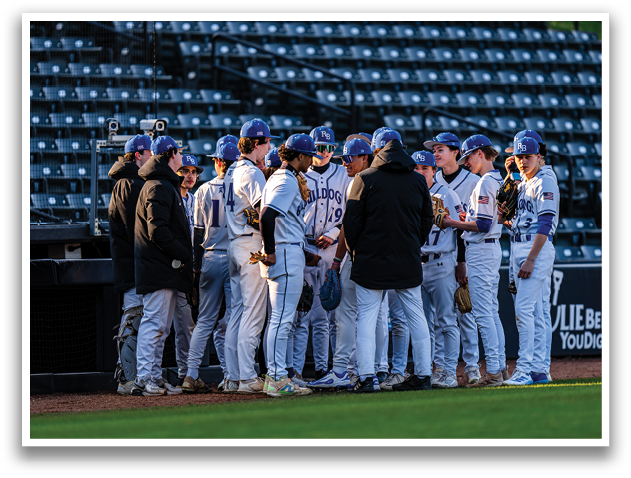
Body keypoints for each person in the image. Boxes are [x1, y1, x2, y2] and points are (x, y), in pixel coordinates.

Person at [344, 130, 434, 392]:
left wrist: (356, 250)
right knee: (416, 317)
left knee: (367, 319)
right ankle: (423, 374)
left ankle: (367, 377)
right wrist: (412, 244)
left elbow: (351, 222)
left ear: (376, 152)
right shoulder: (417, 180)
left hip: (371, 259)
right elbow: (426, 220)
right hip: (406, 258)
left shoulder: (365, 178)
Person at [258, 134, 323, 396]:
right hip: (284, 255)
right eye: (309, 156)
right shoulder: (285, 181)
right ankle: (275, 378)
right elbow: (266, 216)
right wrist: (271, 251)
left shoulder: (281, 178)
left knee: (279, 319)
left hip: (288, 251)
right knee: (281, 320)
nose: (311, 161)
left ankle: (278, 374)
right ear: (299, 156)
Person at [307, 137, 373, 390]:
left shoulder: (356, 180)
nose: (344, 162)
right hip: (322, 248)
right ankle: (360, 371)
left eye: (349, 158)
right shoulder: (367, 179)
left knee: (346, 314)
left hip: (349, 252)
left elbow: (349, 223)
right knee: (322, 315)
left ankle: (350, 370)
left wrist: (336, 253)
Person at [441, 134, 506, 388]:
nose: (466, 162)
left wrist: (451, 222)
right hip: (491, 248)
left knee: (482, 313)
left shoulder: (485, 183)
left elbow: (481, 224)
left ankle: (492, 372)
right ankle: (499, 368)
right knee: (491, 311)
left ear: (481, 153)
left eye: (468, 156)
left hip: (481, 249)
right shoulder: (498, 179)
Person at [131, 135, 192, 396]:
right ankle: (145, 377)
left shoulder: (163, 183)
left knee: (161, 327)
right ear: (170, 154)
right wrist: (184, 254)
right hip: (158, 267)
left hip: (163, 267)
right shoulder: (158, 185)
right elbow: (158, 231)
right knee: (155, 324)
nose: (181, 156)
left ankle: (153, 376)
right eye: (178, 152)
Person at [223, 118, 278, 394]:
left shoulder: (232, 168)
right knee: (254, 312)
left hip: (234, 243)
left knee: (237, 312)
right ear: (257, 143)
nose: (269, 146)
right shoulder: (253, 172)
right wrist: (272, 248)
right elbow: (262, 214)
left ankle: (233, 376)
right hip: (251, 245)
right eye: (267, 141)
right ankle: (247, 376)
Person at [292, 125, 351, 381]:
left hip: (332, 248)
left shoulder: (344, 174)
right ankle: (295, 369)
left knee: (331, 313)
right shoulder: (298, 175)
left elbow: (352, 214)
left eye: (329, 148)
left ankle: (326, 367)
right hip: (304, 247)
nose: (325, 152)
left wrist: (336, 233)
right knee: (304, 313)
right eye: (319, 147)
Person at [500, 137, 560, 386]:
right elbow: (519, 219)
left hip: (535, 248)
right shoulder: (525, 181)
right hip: (519, 244)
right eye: (519, 156)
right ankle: (537, 369)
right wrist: (505, 219)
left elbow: (545, 224)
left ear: (539, 156)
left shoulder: (545, 180)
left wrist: (531, 259)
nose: (522, 161)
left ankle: (524, 370)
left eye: (527, 156)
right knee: (535, 311)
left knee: (524, 311)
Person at [181, 143, 240, 393]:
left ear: (217, 162)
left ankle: (191, 374)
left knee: (205, 320)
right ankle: (232, 376)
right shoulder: (242, 187)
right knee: (233, 320)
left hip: (210, 256)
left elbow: (197, 233)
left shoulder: (203, 189)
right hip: (235, 256)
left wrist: (195, 267)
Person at [424, 132, 481, 385]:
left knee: (465, 311)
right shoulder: (430, 179)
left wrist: (461, 262)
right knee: (442, 316)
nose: (436, 154)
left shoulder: (472, 181)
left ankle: (471, 365)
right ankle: (442, 367)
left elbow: (465, 225)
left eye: (441, 149)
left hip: (465, 252)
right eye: (434, 150)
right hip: (438, 253)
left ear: (456, 152)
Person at [412, 151, 462, 389]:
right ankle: (427, 369)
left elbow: (461, 229)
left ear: (434, 170)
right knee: (422, 322)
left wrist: (461, 263)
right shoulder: (408, 194)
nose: (420, 172)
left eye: (425, 168)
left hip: (442, 262)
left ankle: (448, 371)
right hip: (416, 263)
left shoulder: (447, 194)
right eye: (417, 168)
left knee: (446, 320)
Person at [108, 134, 151, 395]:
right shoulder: (127, 183)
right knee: (133, 318)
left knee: (141, 320)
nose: (152, 157)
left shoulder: (134, 181)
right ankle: (127, 378)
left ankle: (135, 375)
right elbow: (135, 229)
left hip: (137, 264)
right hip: (132, 265)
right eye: (149, 152)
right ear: (138, 155)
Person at [166, 154, 202, 386]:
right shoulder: (169, 197)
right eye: (184, 171)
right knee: (161, 325)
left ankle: (185, 374)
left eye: (193, 172)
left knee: (187, 325)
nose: (189, 176)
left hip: (191, 268)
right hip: (170, 267)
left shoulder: (198, 198)